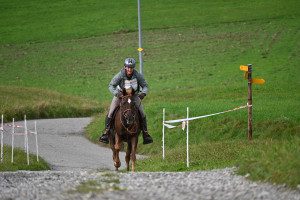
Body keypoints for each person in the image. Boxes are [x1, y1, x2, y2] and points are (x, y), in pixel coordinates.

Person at [99, 58, 153, 145]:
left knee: (142, 112)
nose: (129, 69)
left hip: (134, 96)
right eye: (128, 67)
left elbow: (145, 86)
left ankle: (145, 134)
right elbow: (111, 86)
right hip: (120, 96)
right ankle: (106, 132)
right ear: (125, 67)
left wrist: (143, 93)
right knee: (111, 112)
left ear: (133, 68)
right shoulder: (119, 75)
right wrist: (118, 94)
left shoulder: (138, 75)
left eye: (131, 67)